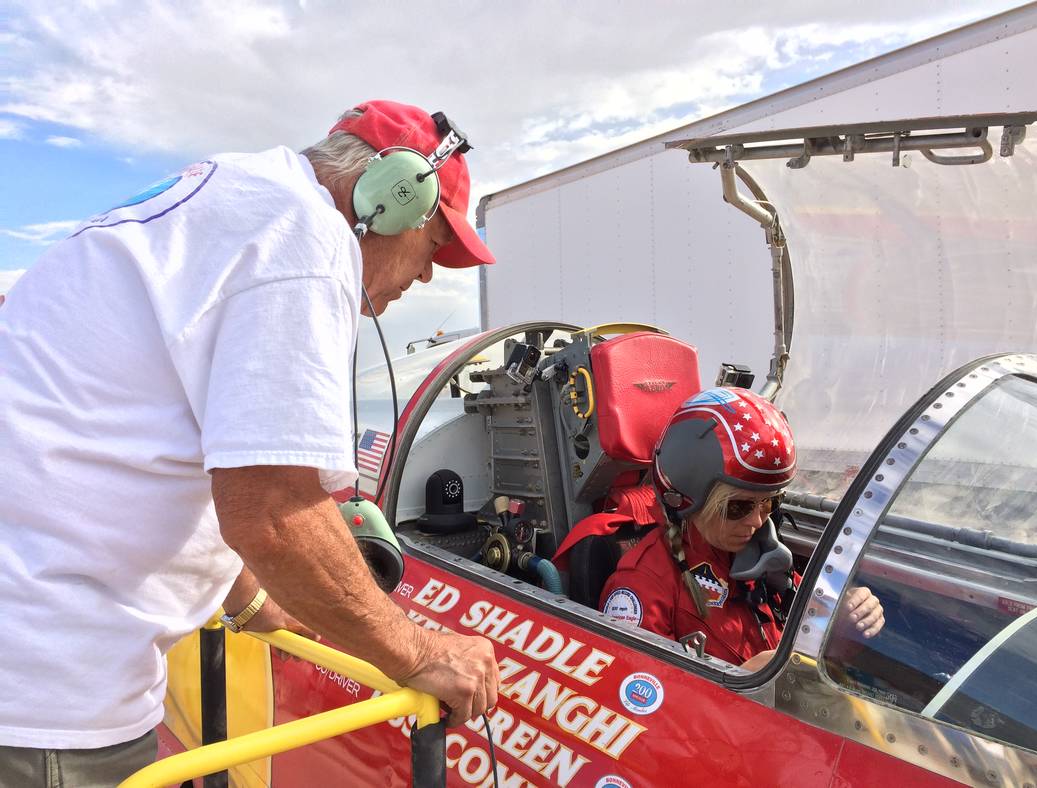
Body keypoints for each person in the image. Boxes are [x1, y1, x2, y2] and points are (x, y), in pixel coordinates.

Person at [0, 100, 499, 785]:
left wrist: (245, 597)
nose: (428, 276)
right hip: (46, 699)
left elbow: (165, 438)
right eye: (435, 243)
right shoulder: (304, 237)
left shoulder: (238, 200)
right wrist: (420, 654)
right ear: (389, 197)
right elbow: (272, 513)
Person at [599, 387, 883, 670]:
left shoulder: (761, 555)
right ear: (688, 496)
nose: (757, 521)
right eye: (737, 508)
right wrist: (748, 678)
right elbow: (637, 698)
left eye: (770, 502)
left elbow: (808, 623)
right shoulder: (642, 585)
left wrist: (846, 616)